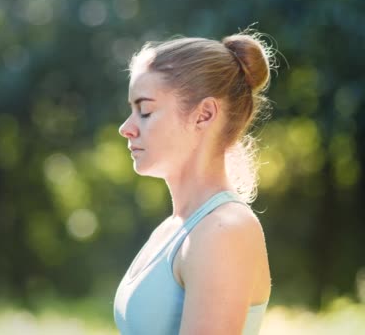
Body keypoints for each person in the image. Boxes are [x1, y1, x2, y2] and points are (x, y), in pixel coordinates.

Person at [113, 31, 275, 335]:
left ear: (204, 115)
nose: (126, 128)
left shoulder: (224, 230)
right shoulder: (172, 230)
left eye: (145, 111)